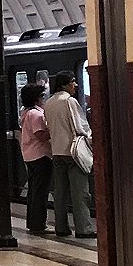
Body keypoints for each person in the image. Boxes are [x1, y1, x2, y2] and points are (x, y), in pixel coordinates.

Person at [43, 72, 94, 238]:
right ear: (64, 85)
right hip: (73, 153)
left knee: (61, 193)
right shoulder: (69, 101)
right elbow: (79, 126)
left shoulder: (49, 103)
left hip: (57, 152)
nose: (76, 85)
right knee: (80, 194)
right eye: (73, 82)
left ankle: (61, 227)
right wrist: (90, 137)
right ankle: (83, 228)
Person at [18, 82, 52, 234]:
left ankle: (33, 222)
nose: (43, 99)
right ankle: (39, 224)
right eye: (42, 96)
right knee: (40, 191)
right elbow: (40, 135)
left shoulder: (25, 113)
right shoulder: (36, 114)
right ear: (37, 98)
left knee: (33, 190)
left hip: (29, 155)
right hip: (41, 155)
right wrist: (54, 131)